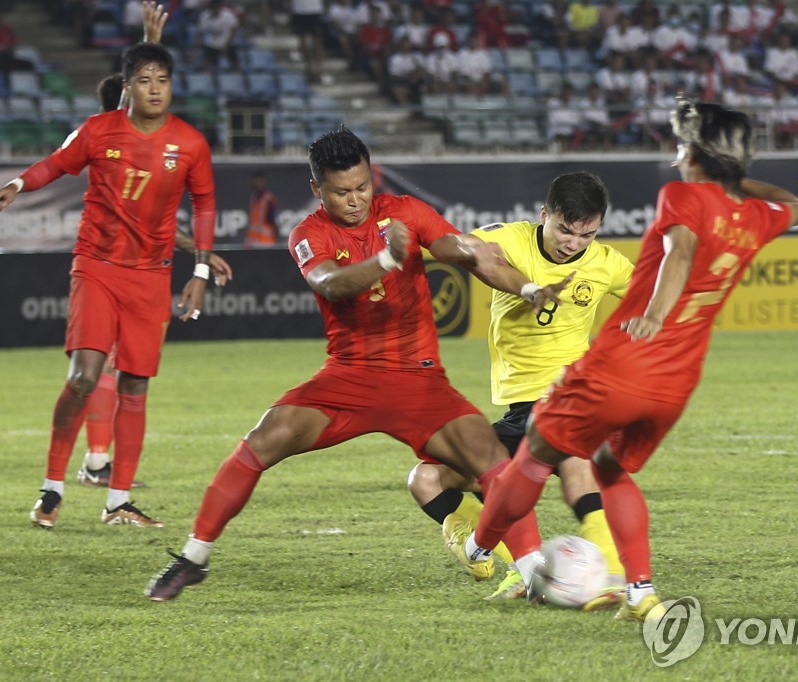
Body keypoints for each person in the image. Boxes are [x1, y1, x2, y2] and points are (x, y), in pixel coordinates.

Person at [145, 128, 569, 601]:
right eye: (342, 191)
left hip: (418, 378)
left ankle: (535, 575)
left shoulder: (405, 211)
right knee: (262, 439)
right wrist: (388, 260)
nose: (356, 200)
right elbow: (330, 283)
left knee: (491, 460)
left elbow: (463, 251)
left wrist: (527, 288)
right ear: (317, 190)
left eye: (363, 187)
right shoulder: (308, 234)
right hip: (348, 377)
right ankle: (194, 557)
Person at [445, 98, 798, 622]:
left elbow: (679, 251)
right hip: (677, 380)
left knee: (533, 454)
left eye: (684, 145)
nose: (678, 155)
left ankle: (484, 548)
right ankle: (643, 595)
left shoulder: (683, 194)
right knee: (608, 469)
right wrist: (736, 182)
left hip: (623, 362)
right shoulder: (751, 216)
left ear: (701, 154)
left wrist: (654, 314)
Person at [0, 41, 219, 529]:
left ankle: (118, 502)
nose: (154, 89)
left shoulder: (191, 143)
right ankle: (51, 490)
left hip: (152, 276)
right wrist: (20, 184)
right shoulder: (98, 132)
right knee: (84, 376)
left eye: (162, 80)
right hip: (97, 266)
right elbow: (56, 162)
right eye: (144, 80)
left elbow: (203, 206)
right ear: (127, 86)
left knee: (135, 386)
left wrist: (198, 271)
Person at [406, 171, 633, 602]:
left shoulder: (607, 264)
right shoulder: (511, 240)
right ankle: (515, 565)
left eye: (587, 234)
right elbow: (466, 248)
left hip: (569, 395)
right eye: (565, 229)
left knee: (571, 456)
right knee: (427, 478)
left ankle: (609, 570)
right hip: (520, 409)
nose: (573, 243)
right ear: (544, 214)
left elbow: (651, 296)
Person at [78, 11, 234, 487]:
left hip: (135, 264)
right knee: (109, 366)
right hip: (110, 266)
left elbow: (157, 226)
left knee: (115, 367)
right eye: (141, 85)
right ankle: (97, 465)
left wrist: (197, 253)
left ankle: (98, 463)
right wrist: (150, 40)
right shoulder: (105, 138)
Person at [245, 171, 279, 246]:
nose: (256, 183)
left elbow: (273, 219)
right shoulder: (253, 198)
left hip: (265, 241)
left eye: (259, 180)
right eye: (255, 180)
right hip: (253, 241)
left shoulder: (268, 199)